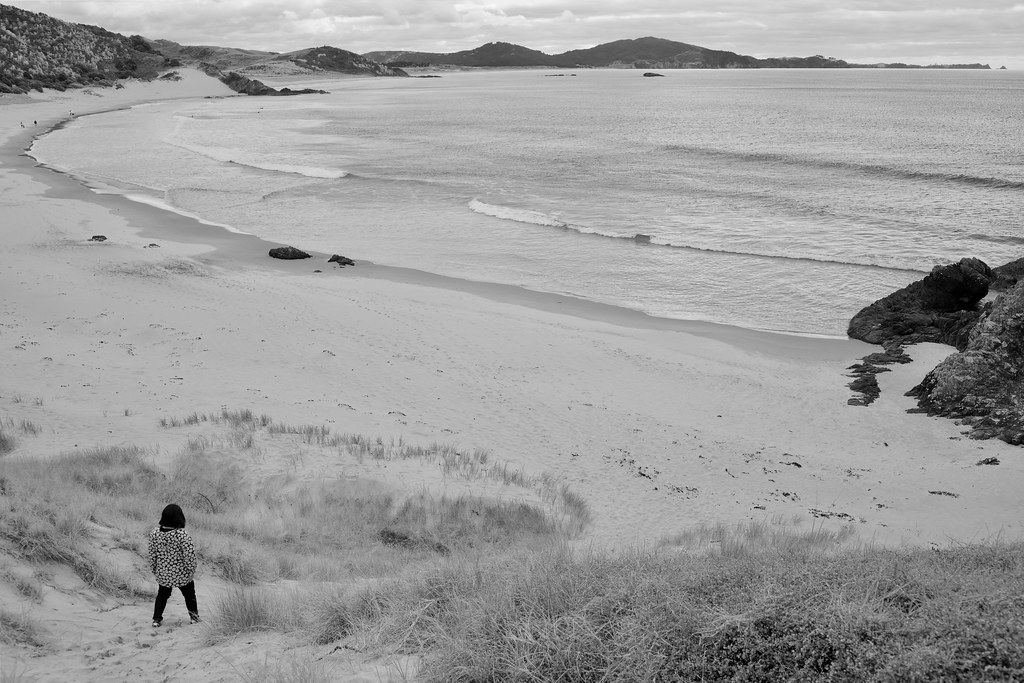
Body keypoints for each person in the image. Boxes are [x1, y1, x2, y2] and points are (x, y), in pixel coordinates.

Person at [148, 503, 200, 626]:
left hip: (163, 573)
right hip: (181, 574)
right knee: (189, 594)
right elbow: (190, 556)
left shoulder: (155, 533)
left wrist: (154, 569)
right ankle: (194, 618)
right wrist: (191, 570)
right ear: (179, 517)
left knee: (162, 595)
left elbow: (152, 554)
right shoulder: (182, 534)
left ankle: (156, 619)